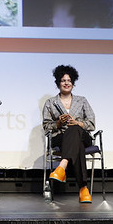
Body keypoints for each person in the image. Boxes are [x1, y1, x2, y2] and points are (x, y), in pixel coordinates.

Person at [42, 65, 96, 203]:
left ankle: (62, 167)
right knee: (77, 145)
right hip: (60, 137)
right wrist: (58, 123)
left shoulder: (82, 100)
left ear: (73, 83)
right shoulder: (50, 103)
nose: (66, 83)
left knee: (75, 129)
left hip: (82, 135)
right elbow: (46, 126)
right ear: (58, 83)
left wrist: (78, 123)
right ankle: (83, 188)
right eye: (63, 80)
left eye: (69, 80)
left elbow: (91, 123)